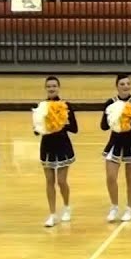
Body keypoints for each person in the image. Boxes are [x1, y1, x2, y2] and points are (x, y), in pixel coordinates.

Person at [101, 74, 131, 223]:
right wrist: (113, 118)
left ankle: (129, 208)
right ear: (117, 86)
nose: (125, 86)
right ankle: (114, 207)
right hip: (115, 143)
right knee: (111, 177)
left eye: (128, 83)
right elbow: (103, 126)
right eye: (122, 84)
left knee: (130, 177)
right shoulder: (111, 103)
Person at [34, 75, 79, 228]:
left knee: (61, 181)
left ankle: (66, 207)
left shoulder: (66, 105)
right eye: (49, 86)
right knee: (49, 181)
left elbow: (74, 128)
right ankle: (52, 214)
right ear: (45, 88)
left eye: (54, 86)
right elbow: (36, 130)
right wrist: (43, 125)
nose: (52, 88)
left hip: (63, 146)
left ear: (58, 88)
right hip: (47, 147)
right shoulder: (41, 106)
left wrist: (60, 123)